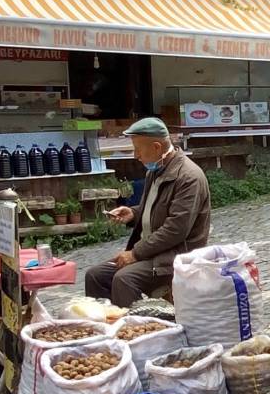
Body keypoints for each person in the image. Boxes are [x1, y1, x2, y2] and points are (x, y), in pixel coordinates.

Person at [85, 117, 210, 307]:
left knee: (124, 279)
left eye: (138, 149)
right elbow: (155, 208)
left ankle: (135, 331)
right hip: (153, 252)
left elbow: (176, 230)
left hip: (175, 256)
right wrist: (134, 213)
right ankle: (107, 326)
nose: (136, 155)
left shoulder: (189, 177)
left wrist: (135, 253)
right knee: (95, 276)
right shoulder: (155, 170)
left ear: (157, 147)